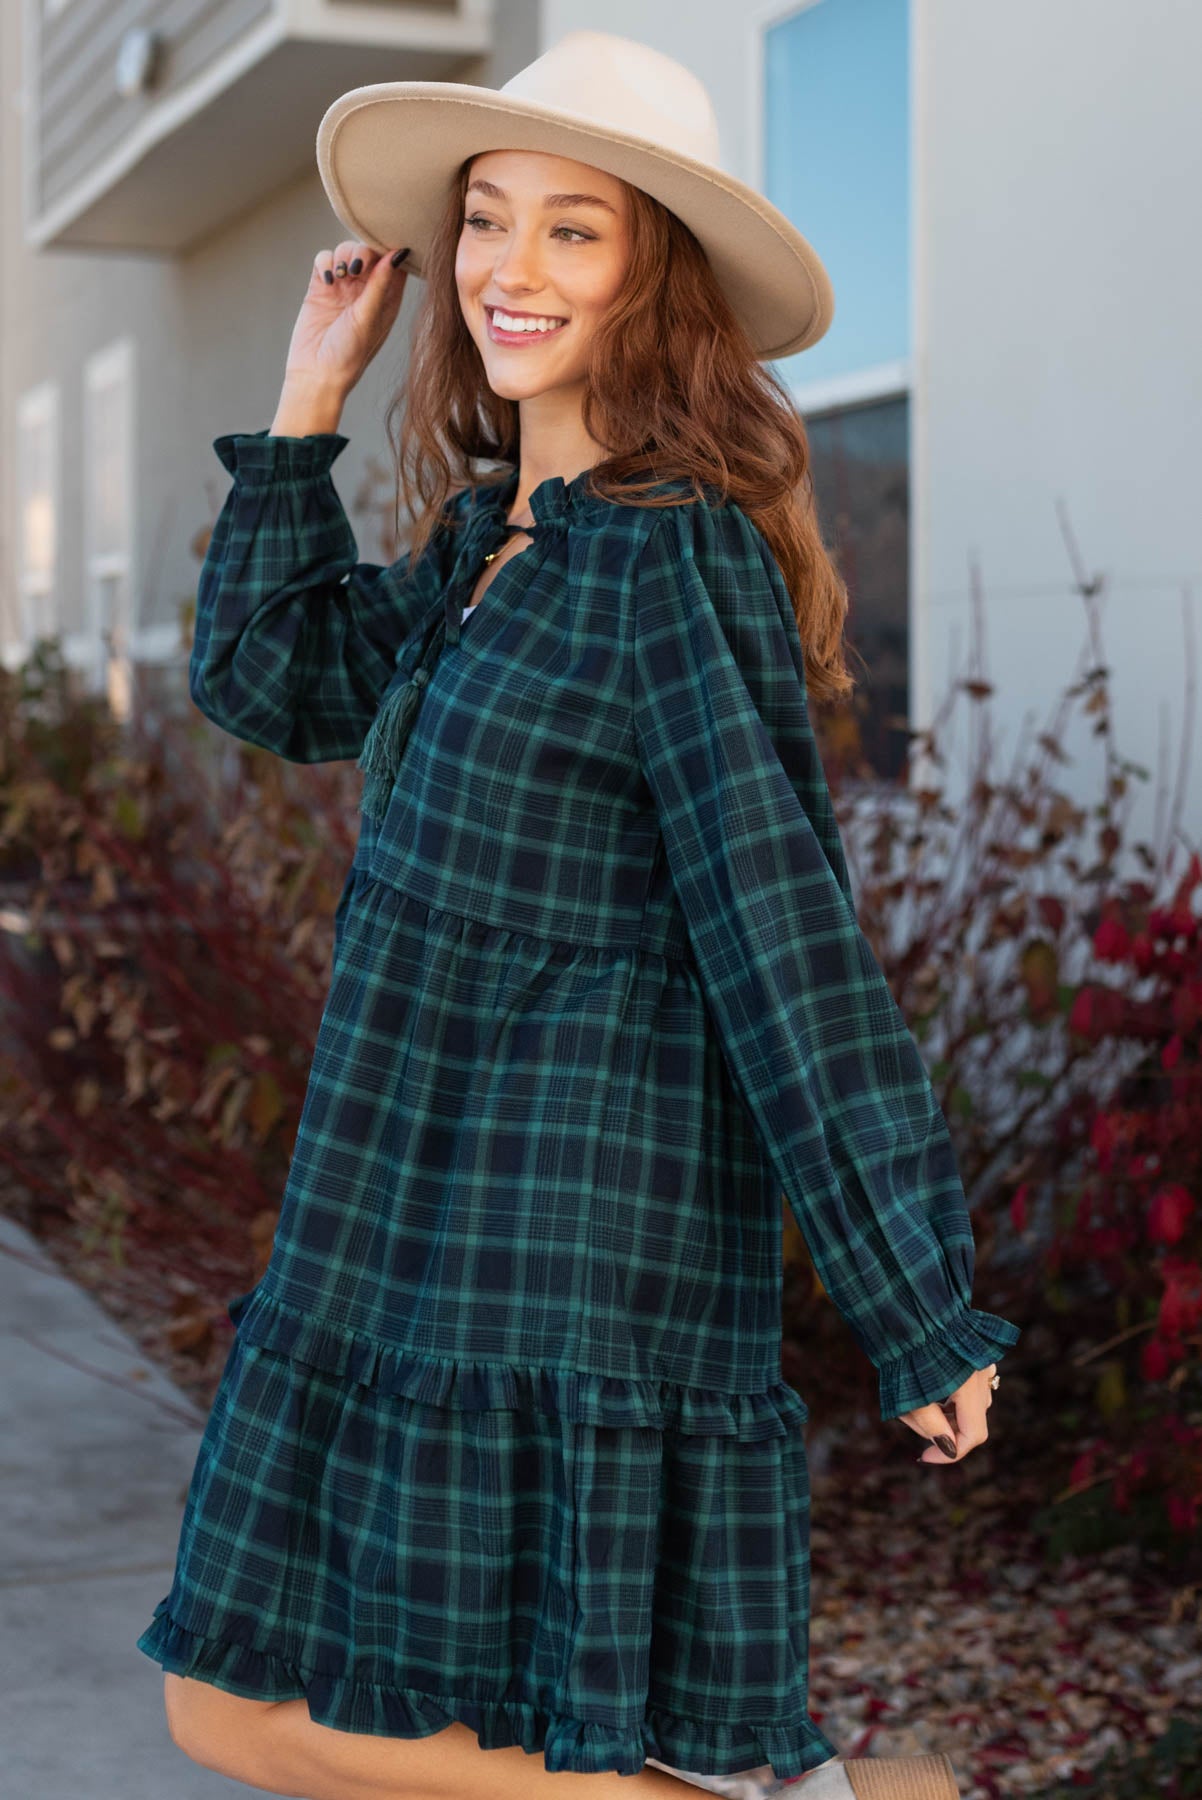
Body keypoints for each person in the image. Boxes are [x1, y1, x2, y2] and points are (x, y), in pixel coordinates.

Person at [136, 30, 1020, 1800]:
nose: (507, 272)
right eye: (486, 221)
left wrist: (911, 1297)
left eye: (573, 233)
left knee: (291, 1715)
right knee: (247, 1702)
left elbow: (785, 940)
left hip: (561, 1231)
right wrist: (310, 389)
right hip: (402, 1197)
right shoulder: (488, 547)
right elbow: (263, 676)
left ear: (652, 284)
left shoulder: (672, 558)